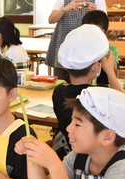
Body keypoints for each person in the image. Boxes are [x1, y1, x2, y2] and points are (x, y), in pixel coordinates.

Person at [15, 87, 125, 179]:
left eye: (77, 124)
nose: (68, 128)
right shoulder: (79, 156)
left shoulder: (121, 169)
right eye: (72, 120)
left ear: (107, 137)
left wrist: (54, 164)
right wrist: (31, 151)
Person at [51, 24, 122, 160]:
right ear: (95, 68)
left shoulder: (58, 92)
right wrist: (110, 71)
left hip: (70, 152)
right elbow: (121, 105)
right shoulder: (99, 95)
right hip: (96, 157)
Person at [45, 0, 106, 83]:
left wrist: (96, 12)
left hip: (86, 49)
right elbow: (51, 19)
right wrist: (64, 9)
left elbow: (104, 23)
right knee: (61, 81)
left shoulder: (98, 1)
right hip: (64, 46)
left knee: (84, 81)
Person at [82, 10, 118, 85]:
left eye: (97, 31)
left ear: (105, 32)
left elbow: (113, 72)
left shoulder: (110, 50)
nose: (93, 34)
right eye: (89, 30)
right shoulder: (80, 48)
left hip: (104, 88)